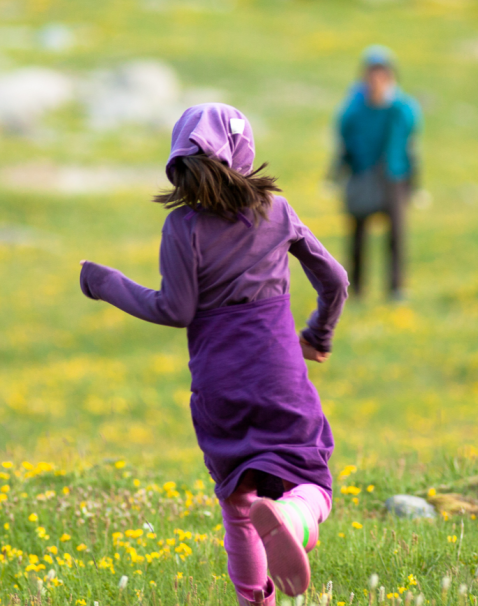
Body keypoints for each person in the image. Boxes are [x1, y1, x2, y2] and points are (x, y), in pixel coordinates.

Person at [79, 103, 349, 606]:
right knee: (311, 477)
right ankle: (293, 518)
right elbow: (335, 279)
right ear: (242, 152)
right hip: (278, 374)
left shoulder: (183, 228)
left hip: (218, 387)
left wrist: (104, 282)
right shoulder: (277, 210)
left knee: (237, 504)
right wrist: (319, 334)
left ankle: (254, 600)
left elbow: (175, 309)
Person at [335, 45, 421, 301]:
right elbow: (344, 140)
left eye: (382, 73)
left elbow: (410, 146)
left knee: (396, 234)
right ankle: (356, 288)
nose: (376, 79)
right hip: (362, 174)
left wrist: (414, 183)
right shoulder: (354, 107)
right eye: (372, 73)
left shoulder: (401, 108)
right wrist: (338, 172)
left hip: (394, 177)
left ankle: (396, 288)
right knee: (357, 234)